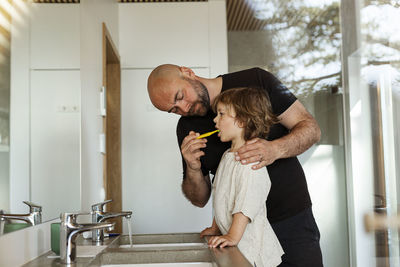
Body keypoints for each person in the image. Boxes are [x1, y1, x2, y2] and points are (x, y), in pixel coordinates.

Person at [147, 64, 323, 266]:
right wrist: (193, 168)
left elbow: (312, 130)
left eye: (180, 96)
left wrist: (274, 150)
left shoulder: (257, 79)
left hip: (292, 221)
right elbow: (209, 197)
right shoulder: (188, 128)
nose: (185, 108)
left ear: (187, 72)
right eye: (174, 110)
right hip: (239, 237)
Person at [201, 87, 284, 267]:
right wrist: (216, 227)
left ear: (242, 121)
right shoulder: (227, 156)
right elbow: (220, 195)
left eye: (221, 114)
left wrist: (232, 236)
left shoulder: (250, 161)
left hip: (254, 254)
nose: (215, 120)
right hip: (239, 246)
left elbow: (246, 203)